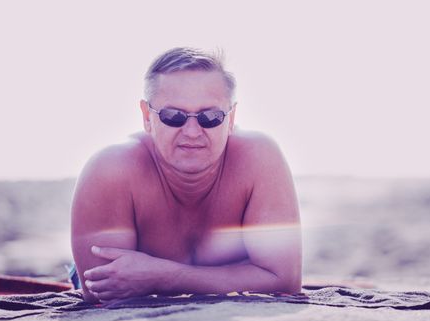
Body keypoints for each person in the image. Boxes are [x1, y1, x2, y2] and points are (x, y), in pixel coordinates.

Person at [71, 47, 301, 303]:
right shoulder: (112, 169)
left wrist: (165, 276)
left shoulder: (259, 158)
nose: (192, 132)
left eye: (210, 117)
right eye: (173, 116)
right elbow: (101, 289)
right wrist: (242, 276)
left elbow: (285, 279)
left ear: (231, 117)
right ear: (147, 117)